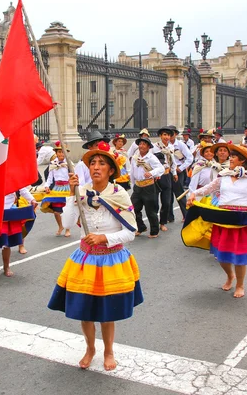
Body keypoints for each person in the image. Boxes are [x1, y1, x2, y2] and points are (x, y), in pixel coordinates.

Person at [48, 141, 143, 371]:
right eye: (92, 163)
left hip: (112, 259)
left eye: (102, 163)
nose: (96, 167)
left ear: (111, 170)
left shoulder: (119, 194)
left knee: (106, 312)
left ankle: (108, 350)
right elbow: (69, 224)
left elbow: (131, 232)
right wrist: (72, 195)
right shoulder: (81, 191)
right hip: (85, 259)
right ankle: (90, 348)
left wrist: (105, 239)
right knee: (85, 310)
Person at [183, 144, 247, 298]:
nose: (230, 158)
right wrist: (193, 194)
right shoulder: (223, 176)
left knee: (239, 256)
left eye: (234, 156)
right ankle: (230, 275)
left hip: (242, 221)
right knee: (221, 255)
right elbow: (207, 189)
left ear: (243, 161)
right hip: (223, 218)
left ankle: (240, 284)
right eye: (230, 156)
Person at [130, 137, 165, 238]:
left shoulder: (151, 158)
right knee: (133, 208)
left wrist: (151, 173)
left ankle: (154, 231)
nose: (141, 146)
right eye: (140, 144)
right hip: (138, 186)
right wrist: (133, 185)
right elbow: (132, 172)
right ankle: (140, 227)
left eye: (144, 144)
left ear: (148, 147)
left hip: (148, 186)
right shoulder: (135, 158)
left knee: (150, 210)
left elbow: (161, 168)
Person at [152, 126, 181, 229]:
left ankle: (162, 223)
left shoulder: (171, 148)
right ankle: (154, 223)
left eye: (168, 135)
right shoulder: (154, 147)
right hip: (157, 176)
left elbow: (173, 161)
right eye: (164, 135)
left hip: (167, 175)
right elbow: (150, 162)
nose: (167, 137)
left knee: (167, 201)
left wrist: (174, 173)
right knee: (154, 201)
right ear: (160, 136)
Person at [41, 141, 71, 237]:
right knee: (56, 211)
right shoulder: (53, 164)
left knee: (67, 210)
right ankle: (60, 226)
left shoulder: (69, 164)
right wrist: (46, 186)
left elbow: (73, 176)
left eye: (63, 152)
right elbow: (50, 178)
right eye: (59, 152)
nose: (61, 154)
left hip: (67, 188)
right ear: (56, 153)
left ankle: (67, 229)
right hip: (57, 188)